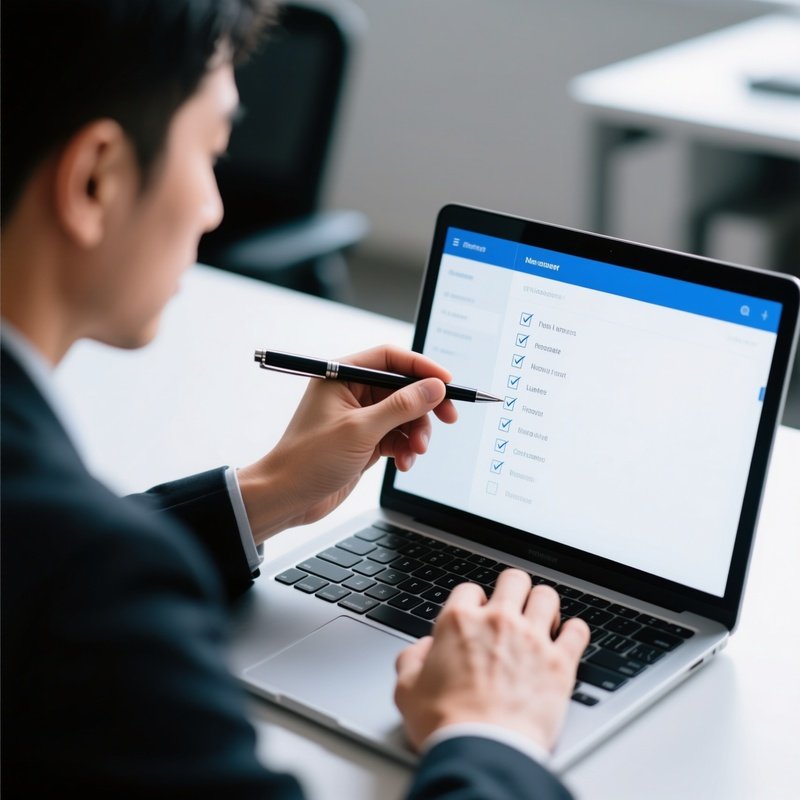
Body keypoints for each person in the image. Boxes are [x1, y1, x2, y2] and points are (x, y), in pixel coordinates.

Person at [0, 1, 590, 797]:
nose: (214, 206)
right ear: (96, 178)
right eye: (213, 150)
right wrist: (494, 731)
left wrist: (265, 494)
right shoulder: (89, 598)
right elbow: (64, 576)